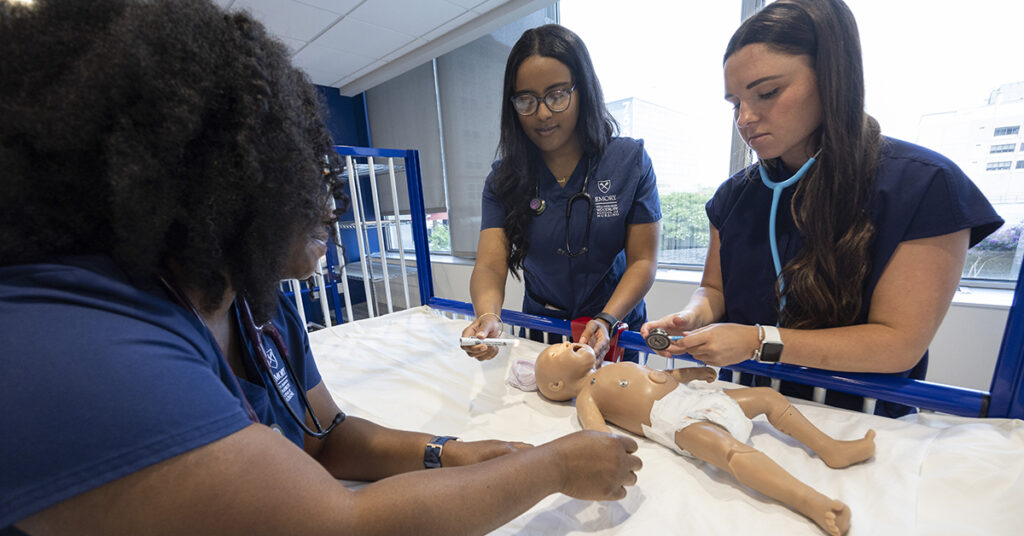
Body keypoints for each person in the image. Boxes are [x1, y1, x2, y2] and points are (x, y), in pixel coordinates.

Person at [0, 1, 643, 534]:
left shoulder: (254, 306)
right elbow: (339, 522)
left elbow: (326, 438)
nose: (333, 199)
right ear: (224, 179)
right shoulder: (73, 345)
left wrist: (445, 453)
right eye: (307, 165)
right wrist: (552, 468)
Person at [641, 0, 1004, 417]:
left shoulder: (924, 186)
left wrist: (759, 340)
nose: (744, 118)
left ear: (833, 78)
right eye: (734, 102)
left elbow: (899, 345)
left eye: (768, 92)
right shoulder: (733, 198)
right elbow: (716, 290)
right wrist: (693, 314)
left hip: (862, 419)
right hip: (748, 410)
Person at [462, 24, 661, 365]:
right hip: (544, 331)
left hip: (613, 328)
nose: (542, 113)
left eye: (557, 95)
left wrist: (606, 319)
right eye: (526, 100)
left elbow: (643, 260)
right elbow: (490, 263)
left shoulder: (630, 161)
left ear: (582, 91)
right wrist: (488, 316)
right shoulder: (504, 179)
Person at [534, 341, 876, 536]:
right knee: (730, 453)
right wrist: (612, 456)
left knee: (769, 399)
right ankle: (810, 501)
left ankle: (831, 449)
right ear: (555, 386)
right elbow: (598, 435)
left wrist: (690, 373)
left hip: (695, 398)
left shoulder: (611, 365)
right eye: (555, 352)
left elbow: (658, 375)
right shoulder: (586, 397)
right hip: (674, 421)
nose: (565, 342)